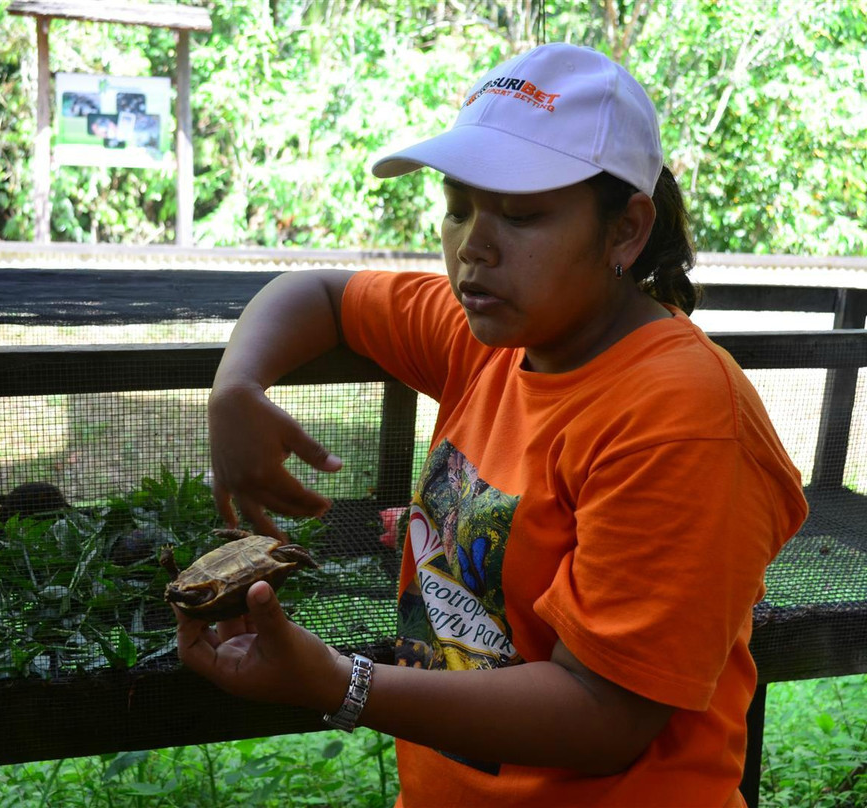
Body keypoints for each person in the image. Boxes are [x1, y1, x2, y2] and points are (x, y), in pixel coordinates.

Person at [173, 42, 808, 806]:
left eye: (520, 213)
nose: (473, 246)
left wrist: (341, 684)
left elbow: (606, 714)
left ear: (624, 231)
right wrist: (235, 389)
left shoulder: (682, 415)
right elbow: (320, 292)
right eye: (458, 207)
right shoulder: (494, 336)